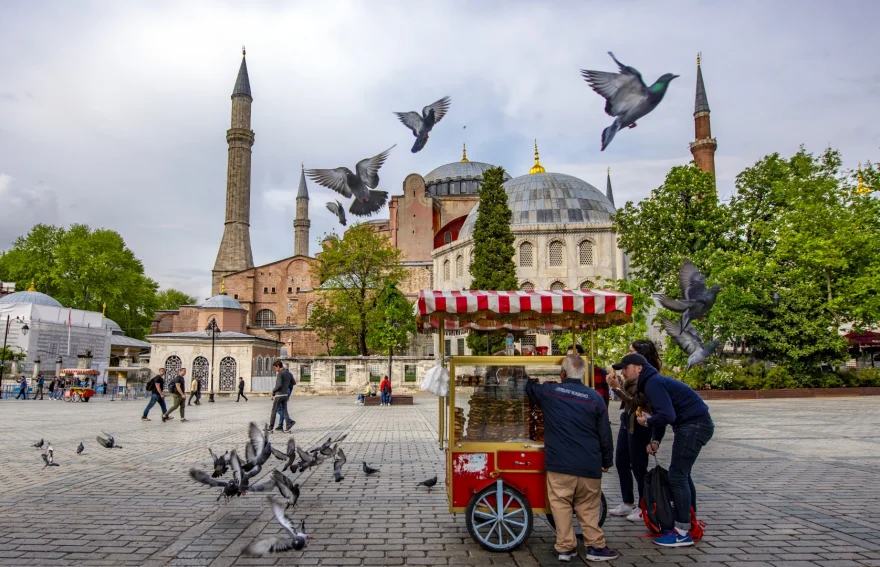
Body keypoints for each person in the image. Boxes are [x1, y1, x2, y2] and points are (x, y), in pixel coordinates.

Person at [612, 352, 714, 548]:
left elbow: (666, 414)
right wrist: (656, 439)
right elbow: (662, 411)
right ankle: (689, 523)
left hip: (694, 426)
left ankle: (683, 533)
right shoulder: (650, 381)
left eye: (625, 368)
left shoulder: (652, 383)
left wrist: (648, 421)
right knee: (683, 475)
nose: (623, 372)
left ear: (638, 368)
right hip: (695, 425)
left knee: (677, 476)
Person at [525, 355, 618, 562]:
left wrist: (521, 369)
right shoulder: (594, 397)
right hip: (589, 464)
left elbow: (528, 387)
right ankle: (595, 547)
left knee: (560, 504)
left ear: (563, 373)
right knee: (589, 506)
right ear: (583, 373)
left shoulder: (550, 392)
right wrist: (606, 461)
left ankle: (566, 548)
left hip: (560, 464)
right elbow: (605, 432)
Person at [607, 340, 660, 522]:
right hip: (627, 420)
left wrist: (615, 387)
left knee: (638, 465)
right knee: (621, 461)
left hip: (640, 423)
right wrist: (618, 385)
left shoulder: (650, 378)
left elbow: (636, 401)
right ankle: (627, 502)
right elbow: (628, 398)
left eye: (631, 352)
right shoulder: (631, 375)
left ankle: (644, 505)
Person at [269, 361, 295, 432]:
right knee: (284, 410)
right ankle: (288, 424)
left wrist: (273, 392)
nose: (275, 369)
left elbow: (279, 385)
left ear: (278, 366)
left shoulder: (280, 373)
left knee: (274, 410)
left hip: (279, 394)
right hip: (285, 395)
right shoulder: (289, 373)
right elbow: (293, 383)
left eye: (275, 368)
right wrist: (286, 386)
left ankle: (270, 427)